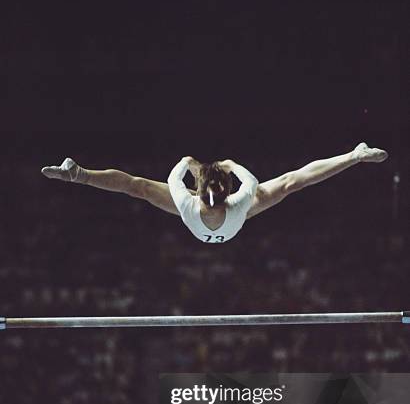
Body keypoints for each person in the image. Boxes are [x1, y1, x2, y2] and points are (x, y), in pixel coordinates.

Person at [42, 142, 388, 244]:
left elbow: (172, 176)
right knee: (291, 181)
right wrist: (232, 164)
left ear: (196, 190)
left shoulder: (184, 202)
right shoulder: (240, 203)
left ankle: (80, 175)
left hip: (195, 215)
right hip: (235, 218)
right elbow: (251, 183)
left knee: (138, 187)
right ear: (227, 193)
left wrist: (187, 161)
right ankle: (354, 155)